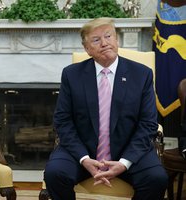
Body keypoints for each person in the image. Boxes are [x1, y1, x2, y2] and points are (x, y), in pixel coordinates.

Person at [44, 18, 168, 200]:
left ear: (117, 40)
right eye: (96, 40)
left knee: (156, 179)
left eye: (108, 36)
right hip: (82, 151)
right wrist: (84, 159)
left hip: (129, 151)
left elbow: (148, 124)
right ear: (87, 49)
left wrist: (125, 162)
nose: (104, 43)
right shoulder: (72, 75)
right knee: (55, 173)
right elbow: (63, 121)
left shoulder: (142, 74)